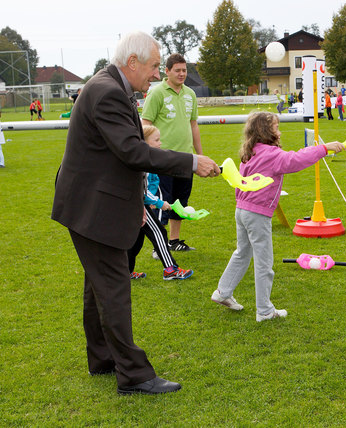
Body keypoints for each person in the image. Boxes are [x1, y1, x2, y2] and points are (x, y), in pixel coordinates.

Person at [51, 31, 220, 395]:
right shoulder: (108, 91)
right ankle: (134, 374)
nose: (157, 74)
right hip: (92, 208)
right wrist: (190, 161)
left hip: (90, 204)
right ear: (132, 63)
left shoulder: (110, 86)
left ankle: (102, 359)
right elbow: (132, 151)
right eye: (155, 66)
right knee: (113, 288)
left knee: (98, 286)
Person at [211, 111, 345, 321]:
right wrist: (324, 148)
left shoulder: (251, 151)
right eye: (276, 128)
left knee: (242, 253)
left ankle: (222, 292)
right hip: (256, 214)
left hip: (242, 211)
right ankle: (264, 311)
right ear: (265, 131)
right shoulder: (272, 155)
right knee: (264, 263)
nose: (279, 132)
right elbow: (296, 159)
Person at [142, 53, 202, 253]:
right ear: (166, 71)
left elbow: (193, 125)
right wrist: (149, 152)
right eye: (177, 70)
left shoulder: (190, 95)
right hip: (163, 159)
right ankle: (158, 246)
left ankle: (174, 241)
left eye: (184, 70)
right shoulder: (157, 93)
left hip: (185, 158)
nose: (182, 74)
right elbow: (146, 124)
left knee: (180, 202)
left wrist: (199, 155)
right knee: (162, 202)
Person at [127, 124, 195, 281]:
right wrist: (158, 202)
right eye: (156, 140)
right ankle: (170, 269)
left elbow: (151, 184)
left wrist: (151, 200)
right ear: (144, 143)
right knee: (159, 232)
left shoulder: (149, 161)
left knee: (136, 241)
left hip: (142, 204)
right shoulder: (142, 162)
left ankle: (125, 272)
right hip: (139, 206)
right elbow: (142, 188)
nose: (160, 143)